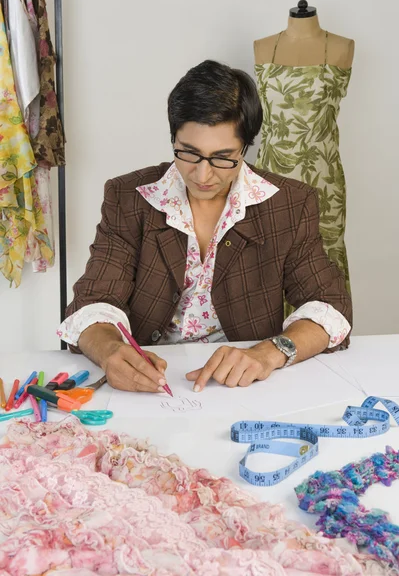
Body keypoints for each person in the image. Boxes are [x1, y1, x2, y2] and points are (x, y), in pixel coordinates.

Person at [58, 60, 352, 394]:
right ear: (174, 138)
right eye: (189, 154)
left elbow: (329, 306)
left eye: (223, 157)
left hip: (244, 385)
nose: (202, 175)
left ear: (245, 147)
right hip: (150, 382)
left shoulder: (288, 204)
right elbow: (95, 300)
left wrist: (269, 353)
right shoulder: (130, 197)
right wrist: (110, 351)